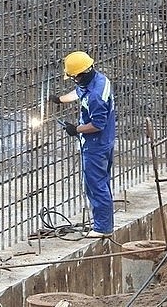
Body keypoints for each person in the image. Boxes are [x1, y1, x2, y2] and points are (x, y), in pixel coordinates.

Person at [49, 51, 116, 238]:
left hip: (96, 145)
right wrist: (60, 100)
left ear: (81, 74)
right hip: (105, 141)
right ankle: (104, 223)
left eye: (73, 77)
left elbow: (97, 125)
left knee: (95, 185)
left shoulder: (95, 96)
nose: (73, 80)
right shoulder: (98, 80)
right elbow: (80, 92)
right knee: (101, 182)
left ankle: (103, 228)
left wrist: (76, 129)